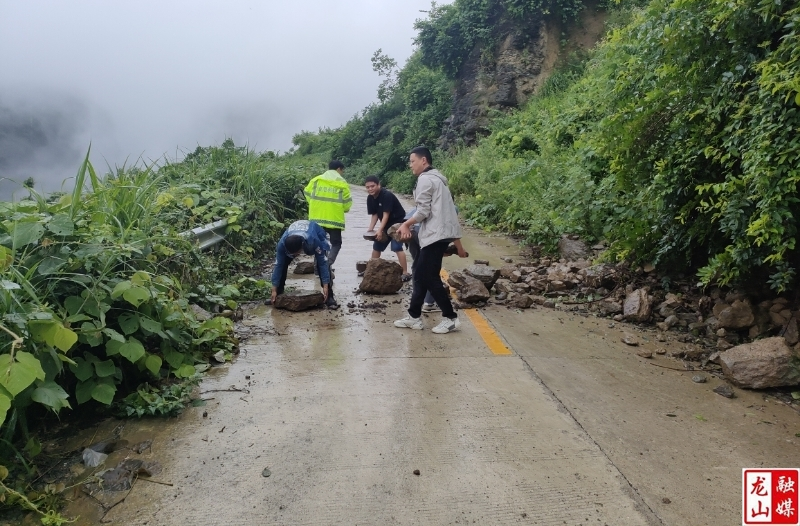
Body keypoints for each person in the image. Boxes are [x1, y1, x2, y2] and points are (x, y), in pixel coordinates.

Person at [394, 147, 467, 334]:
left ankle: (450, 318)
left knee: (428, 276)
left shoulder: (425, 179)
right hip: (441, 234)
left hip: (435, 235)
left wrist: (406, 225)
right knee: (420, 275)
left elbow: (423, 211)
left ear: (423, 160)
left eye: (412, 161)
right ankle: (413, 317)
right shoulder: (438, 180)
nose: (410, 165)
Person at [401, 207, 466, 312]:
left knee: (418, 266)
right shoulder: (451, 207)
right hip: (427, 234)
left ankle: (417, 301)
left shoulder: (424, 204)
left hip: (411, 233)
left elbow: (406, 221)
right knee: (431, 270)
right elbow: (452, 229)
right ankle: (429, 303)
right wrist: (459, 249)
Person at [271, 220, 339, 309]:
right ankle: (278, 295)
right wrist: (274, 289)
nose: (295, 256)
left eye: (296, 254)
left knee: (321, 263)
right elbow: (278, 265)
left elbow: (323, 263)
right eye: (293, 255)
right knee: (283, 263)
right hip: (296, 232)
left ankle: (329, 296)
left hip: (316, 232)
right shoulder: (282, 244)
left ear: (301, 246)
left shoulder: (314, 241)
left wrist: (326, 285)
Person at [304, 160, 352, 272]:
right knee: (336, 243)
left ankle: (317, 268)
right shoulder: (342, 183)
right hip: (334, 220)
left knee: (319, 244)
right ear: (339, 169)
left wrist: (315, 205)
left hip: (317, 219)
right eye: (342, 171)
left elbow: (307, 194)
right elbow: (347, 205)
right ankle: (327, 263)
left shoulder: (316, 180)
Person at [364, 175, 411, 280]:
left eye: (372, 186)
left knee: (397, 247)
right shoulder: (370, 198)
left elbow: (386, 214)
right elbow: (375, 215)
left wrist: (380, 230)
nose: (370, 189)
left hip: (398, 224)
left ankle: (405, 272)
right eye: (368, 187)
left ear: (378, 185)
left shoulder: (386, 195)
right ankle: (371, 269)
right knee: (377, 246)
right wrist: (370, 230)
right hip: (386, 225)